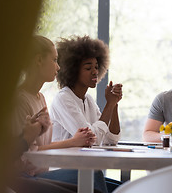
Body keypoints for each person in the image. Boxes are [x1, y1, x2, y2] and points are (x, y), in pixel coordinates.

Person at [13, 35, 108, 193]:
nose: (58, 67)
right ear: (39, 60)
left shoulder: (40, 98)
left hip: (40, 173)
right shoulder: (19, 101)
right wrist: (73, 141)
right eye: (54, 60)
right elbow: (25, 153)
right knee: (94, 178)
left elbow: (41, 146)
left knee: (109, 184)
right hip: (25, 178)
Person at [50, 36, 123, 192]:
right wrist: (109, 105)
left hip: (84, 170)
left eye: (96, 67)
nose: (95, 72)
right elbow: (91, 140)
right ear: (73, 70)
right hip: (62, 170)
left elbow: (111, 139)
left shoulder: (88, 100)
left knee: (124, 188)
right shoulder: (64, 99)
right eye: (88, 68)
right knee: (97, 177)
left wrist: (114, 104)